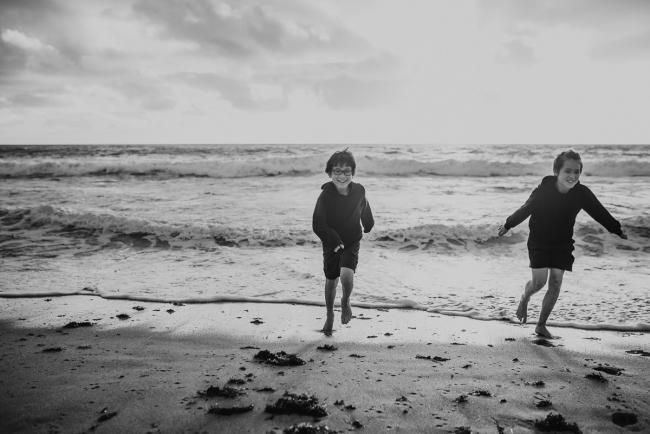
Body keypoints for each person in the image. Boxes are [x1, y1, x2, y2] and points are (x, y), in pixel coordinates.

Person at [497, 150, 627, 338]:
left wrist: (615, 228)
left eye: (577, 172)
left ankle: (541, 325)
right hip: (539, 241)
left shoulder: (582, 193)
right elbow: (526, 208)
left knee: (556, 282)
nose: (572, 176)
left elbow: (599, 211)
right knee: (538, 283)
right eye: (568, 171)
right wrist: (508, 224)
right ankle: (525, 297)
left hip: (563, 243)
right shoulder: (543, 191)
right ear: (557, 171)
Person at [313, 149, 374, 335]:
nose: (342, 176)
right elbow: (318, 224)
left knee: (347, 275)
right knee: (331, 280)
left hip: (352, 239)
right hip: (331, 242)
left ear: (352, 173)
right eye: (337, 171)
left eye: (347, 171)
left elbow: (363, 205)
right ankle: (330, 314)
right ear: (330, 173)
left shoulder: (359, 190)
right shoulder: (325, 196)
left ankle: (346, 300)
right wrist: (332, 239)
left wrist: (368, 223)